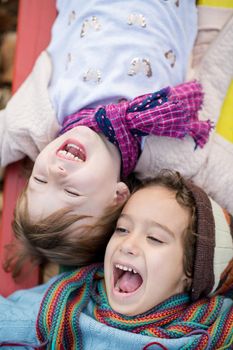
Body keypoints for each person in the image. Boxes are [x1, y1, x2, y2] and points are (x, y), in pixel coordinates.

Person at [1, 0, 213, 270]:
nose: (56, 171)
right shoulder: (161, 146)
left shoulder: (43, 119)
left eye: (39, 179)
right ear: (118, 195)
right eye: (71, 191)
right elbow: (213, 169)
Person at [0, 171, 232, 349]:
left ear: (190, 271)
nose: (128, 245)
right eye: (122, 229)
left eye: (154, 238)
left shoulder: (212, 330)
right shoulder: (67, 300)